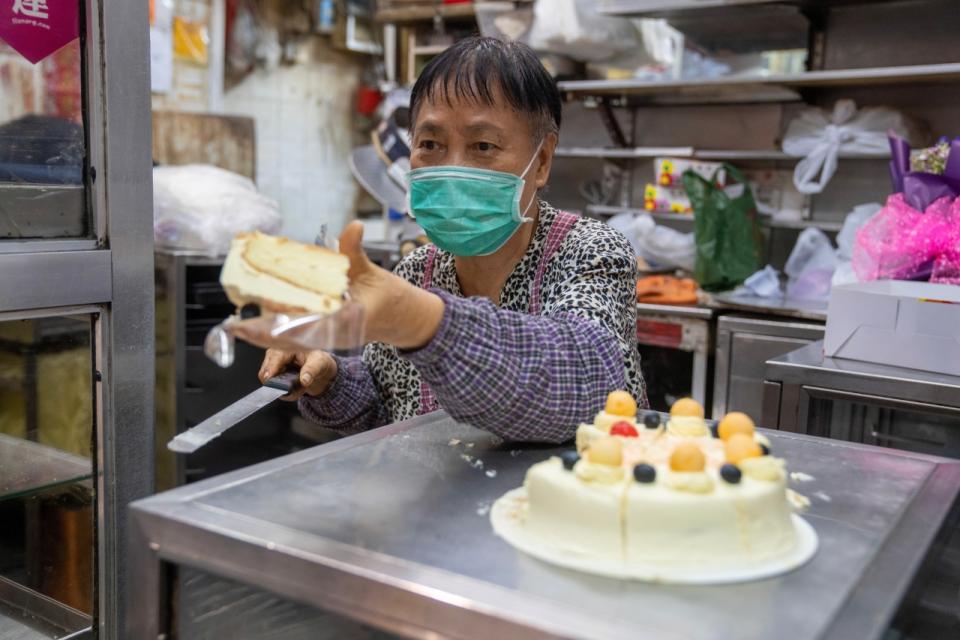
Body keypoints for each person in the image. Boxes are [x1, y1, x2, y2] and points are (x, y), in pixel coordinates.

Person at [247, 37, 647, 443]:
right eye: (431, 144)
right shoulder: (416, 271)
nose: (452, 169)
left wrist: (420, 320)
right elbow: (390, 411)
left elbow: (582, 383)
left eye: (483, 146)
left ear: (541, 160)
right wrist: (330, 380)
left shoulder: (591, 252)